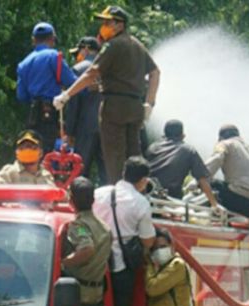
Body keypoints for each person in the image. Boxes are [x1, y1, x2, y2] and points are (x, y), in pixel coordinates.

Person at [53, 5, 161, 184]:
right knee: (133, 153)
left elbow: (91, 73)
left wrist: (67, 95)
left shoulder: (113, 45)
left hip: (114, 107)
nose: (103, 26)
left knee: (114, 155)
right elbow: (156, 73)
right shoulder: (137, 45)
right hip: (135, 107)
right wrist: (149, 104)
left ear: (120, 25)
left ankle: (118, 193)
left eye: (107, 22)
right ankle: (138, 189)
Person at [93, 156, 155, 306]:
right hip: (121, 267)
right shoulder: (141, 203)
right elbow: (148, 240)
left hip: (94, 262)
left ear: (123, 173)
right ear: (143, 180)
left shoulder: (98, 193)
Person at [17, 22, 77, 152]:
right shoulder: (53, 56)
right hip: (51, 112)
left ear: (33, 40)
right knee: (49, 151)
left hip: (32, 115)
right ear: (52, 39)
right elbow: (71, 82)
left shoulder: (24, 63)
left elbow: (21, 96)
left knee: (35, 148)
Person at [62, 177, 112, 306]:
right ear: (93, 200)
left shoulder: (79, 226)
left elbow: (87, 249)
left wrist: (62, 263)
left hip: (79, 293)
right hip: (96, 292)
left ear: (70, 199)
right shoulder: (103, 226)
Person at [145, 119, 218, 208]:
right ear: (183, 135)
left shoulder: (153, 147)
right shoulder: (189, 150)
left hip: (147, 196)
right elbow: (202, 180)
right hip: (171, 199)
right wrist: (214, 205)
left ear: (164, 134)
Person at [64, 37, 107, 184]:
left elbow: (73, 103)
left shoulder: (79, 69)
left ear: (86, 49)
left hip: (85, 127)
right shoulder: (110, 68)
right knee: (108, 173)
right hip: (108, 126)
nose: (77, 57)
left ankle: (79, 204)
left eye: (78, 52)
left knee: (80, 170)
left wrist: (69, 131)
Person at [204, 124, 249, 218]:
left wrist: (198, 180)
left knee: (209, 183)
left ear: (221, 137)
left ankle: (205, 215)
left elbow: (215, 160)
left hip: (237, 199)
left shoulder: (224, 144)